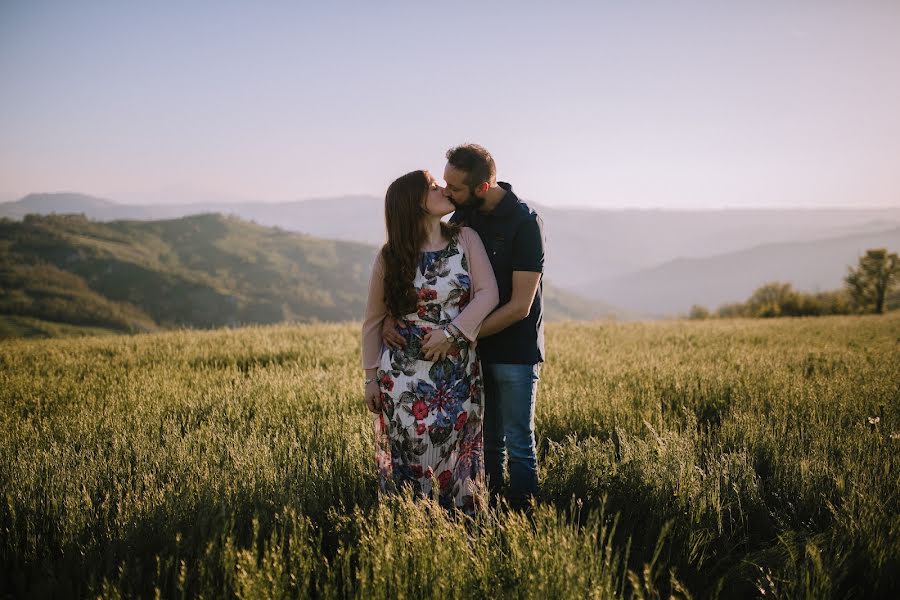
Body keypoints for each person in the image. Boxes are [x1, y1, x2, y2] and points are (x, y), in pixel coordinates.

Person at [383, 145, 545, 508]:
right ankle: (491, 511)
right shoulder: (465, 217)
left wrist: (455, 335)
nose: (447, 192)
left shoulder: (525, 223)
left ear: (481, 188)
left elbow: (520, 306)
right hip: (471, 356)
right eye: (445, 183)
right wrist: (397, 318)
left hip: (515, 350)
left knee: (519, 442)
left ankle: (526, 519)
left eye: (454, 188)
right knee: (485, 443)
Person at [362, 169, 499, 514]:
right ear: (415, 203)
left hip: (455, 374)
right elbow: (373, 321)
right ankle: (415, 528)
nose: (443, 188)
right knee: (411, 458)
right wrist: (369, 377)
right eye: (433, 186)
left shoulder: (465, 238)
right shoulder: (390, 255)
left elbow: (488, 294)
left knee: (457, 455)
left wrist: (451, 333)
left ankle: (463, 533)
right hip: (402, 380)